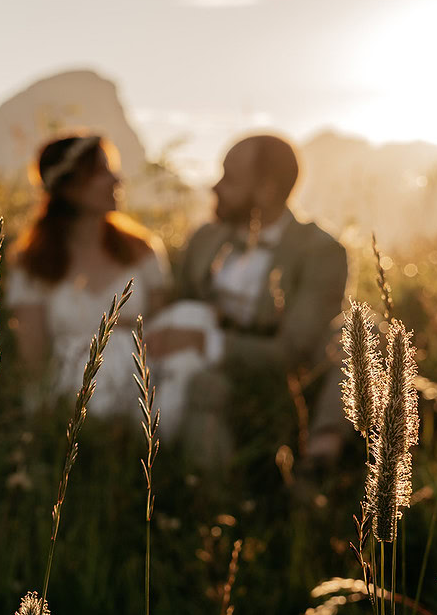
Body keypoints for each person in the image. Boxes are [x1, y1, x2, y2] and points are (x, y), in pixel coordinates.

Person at [146, 134, 349, 468]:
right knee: (200, 384)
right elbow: (178, 302)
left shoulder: (320, 251)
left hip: (274, 374)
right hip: (199, 366)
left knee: (367, 330)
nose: (216, 187)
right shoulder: (205, 238)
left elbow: (293, 348)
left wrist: (205, 342)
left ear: (267, 190)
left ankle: (309, 471)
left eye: (230, 177)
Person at [5, 134, 170, 416]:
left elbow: (163, 330)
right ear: (69, 186)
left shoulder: (142, 249)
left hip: (143, 387)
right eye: (102, 172)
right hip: (72, 395)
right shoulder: (33, 263)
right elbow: (33, 356)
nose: (117, 180)